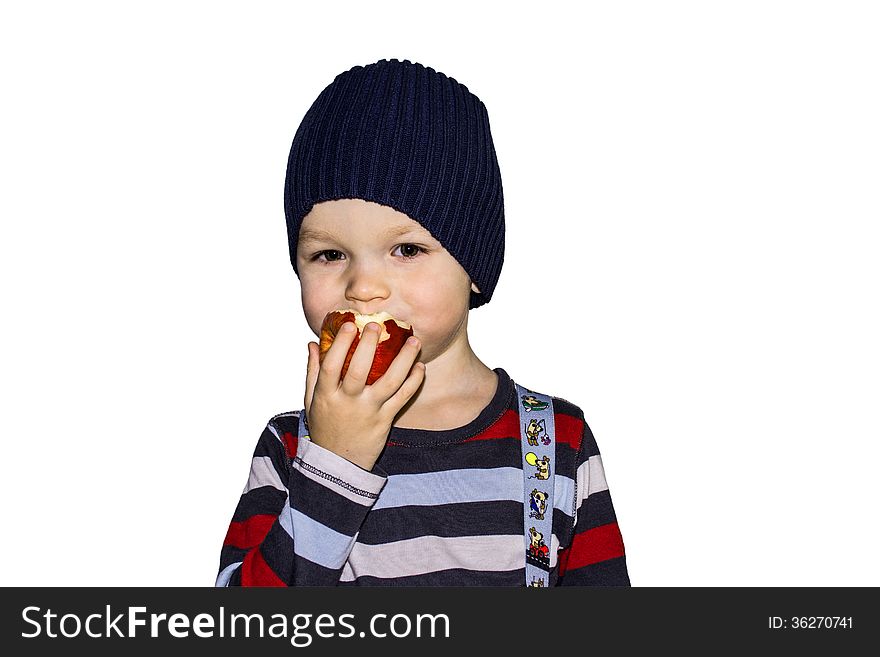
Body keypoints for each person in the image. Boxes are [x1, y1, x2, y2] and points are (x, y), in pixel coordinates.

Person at [216, 58, 630, 586]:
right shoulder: (292, 448)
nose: (364, 286)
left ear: (474, 266)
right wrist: (333, 463)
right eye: (328, 254)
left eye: (406, 248)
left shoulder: (557, 444)